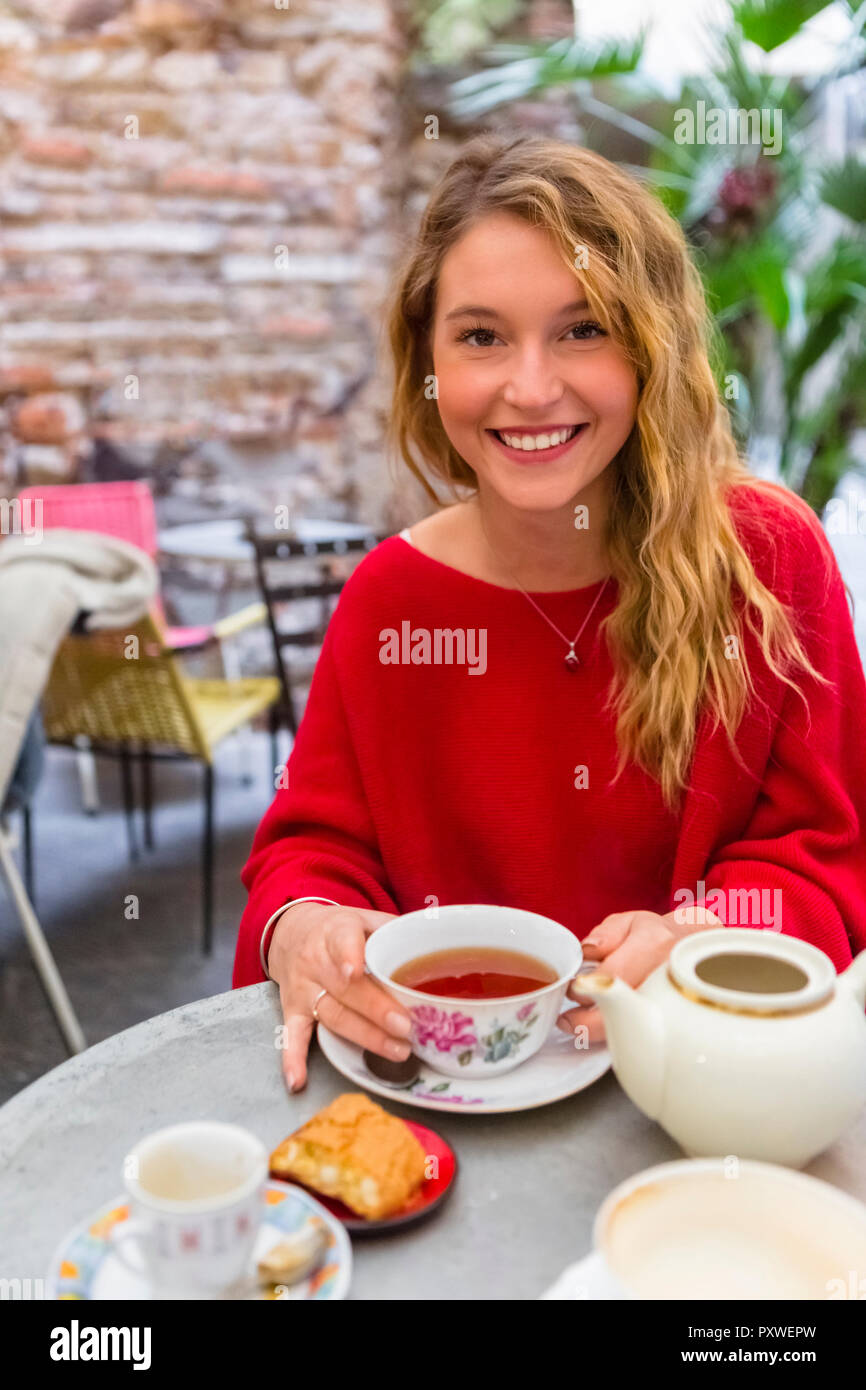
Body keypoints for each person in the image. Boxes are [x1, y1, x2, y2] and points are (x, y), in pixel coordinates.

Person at [233, 132, 866, 1095]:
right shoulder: (389, 603)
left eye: (582, 330)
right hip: (439, 1107)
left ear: (652, 346)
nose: (530, 389)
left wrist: (699, 932)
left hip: (705, 1084)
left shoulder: (770, 562)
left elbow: (825, 859)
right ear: (428, 361)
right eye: (481, 336)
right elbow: (312, 851)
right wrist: (304, 928)